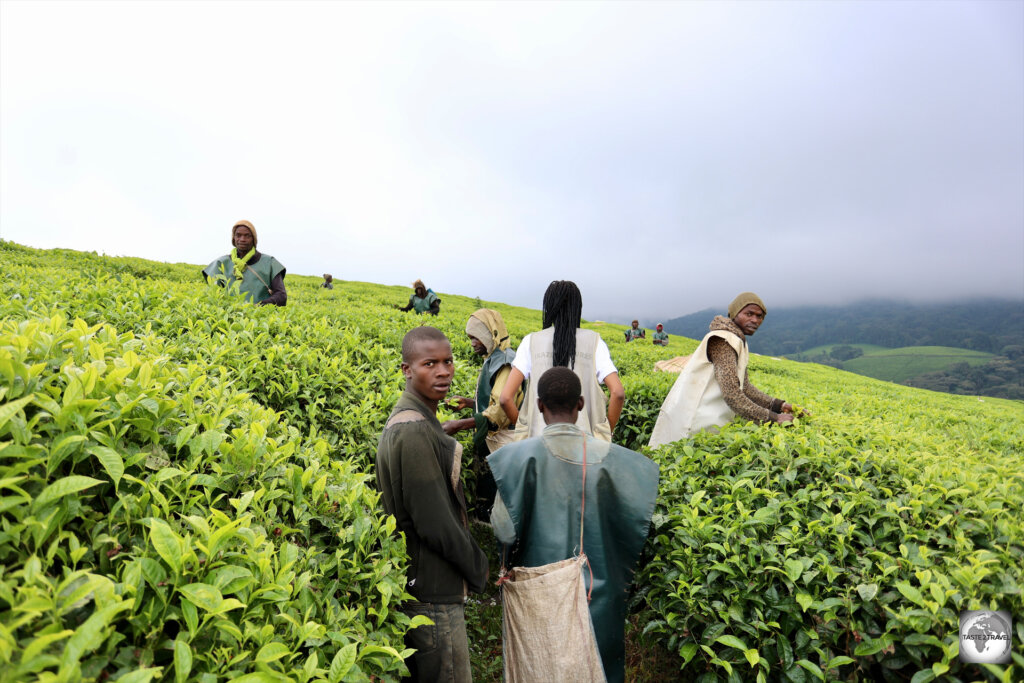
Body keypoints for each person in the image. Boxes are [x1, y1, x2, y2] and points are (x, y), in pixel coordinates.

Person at [489, 367, 659, 683]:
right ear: (581, 404)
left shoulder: (516, 456)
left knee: (542, 663)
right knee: (598, 667)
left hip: (538, 588)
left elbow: (503, 529)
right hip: (599, 590)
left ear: (538, 405)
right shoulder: (619, 460)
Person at [375, 326, 489, 682]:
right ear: (407, 370)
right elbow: (434, 522)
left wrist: (443, 430)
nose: (443, 372)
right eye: (430, 363)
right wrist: (479, 568)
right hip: (433, 593)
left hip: (421, 585)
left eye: (448, 361)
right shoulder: (414, 432)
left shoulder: (417, 420)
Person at [648, 292, 799, 447]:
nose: (754, 320)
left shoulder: (736, 339)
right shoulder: (723, 340)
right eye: (749, 314)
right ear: (735, 313)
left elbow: (744, 387)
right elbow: (732, 394)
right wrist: (774, 418)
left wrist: (779, 405)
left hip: (705, 423)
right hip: (694, 423)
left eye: (759, 316)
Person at [499, 280, 624, 442]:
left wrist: (526, 429)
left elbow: (505, 398)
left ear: (549, 307)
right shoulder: (595, 343)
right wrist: (605, 432)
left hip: (540, 446)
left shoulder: (531, 342)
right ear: (577, 308)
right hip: (586, 449)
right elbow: (618, 393)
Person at [443, 309, 524, 518]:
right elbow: (492, 400)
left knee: (500, 492)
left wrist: (459, 425)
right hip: (496, 437)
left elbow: (499, 411)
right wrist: (469, 403)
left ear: (491, 334)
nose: (472, 342)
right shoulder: (494, 357)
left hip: (504, 441)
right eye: (470, 337)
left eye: (476, 337)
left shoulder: (505, 363)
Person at [201, 220, 287, 306]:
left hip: (260, 316)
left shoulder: (269, 263)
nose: (242, 239)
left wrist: (258, 306)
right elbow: (214, 296)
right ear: (233, 238)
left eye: (247, 236)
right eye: (238, 235)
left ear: (253, 239)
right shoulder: (220, 263)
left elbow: (281, 296)